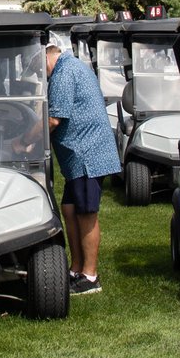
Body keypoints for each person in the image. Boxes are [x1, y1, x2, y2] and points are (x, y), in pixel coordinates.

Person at [45, 44, 121, 295]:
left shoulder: (63, 72)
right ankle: (75, 268)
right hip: (77, 158)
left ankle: (90, 276)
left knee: (86, 213)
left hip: (87, 155)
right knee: (70, 208)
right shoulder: (68, 67)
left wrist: (24, 140)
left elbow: (55, 118)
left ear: (48, 55)